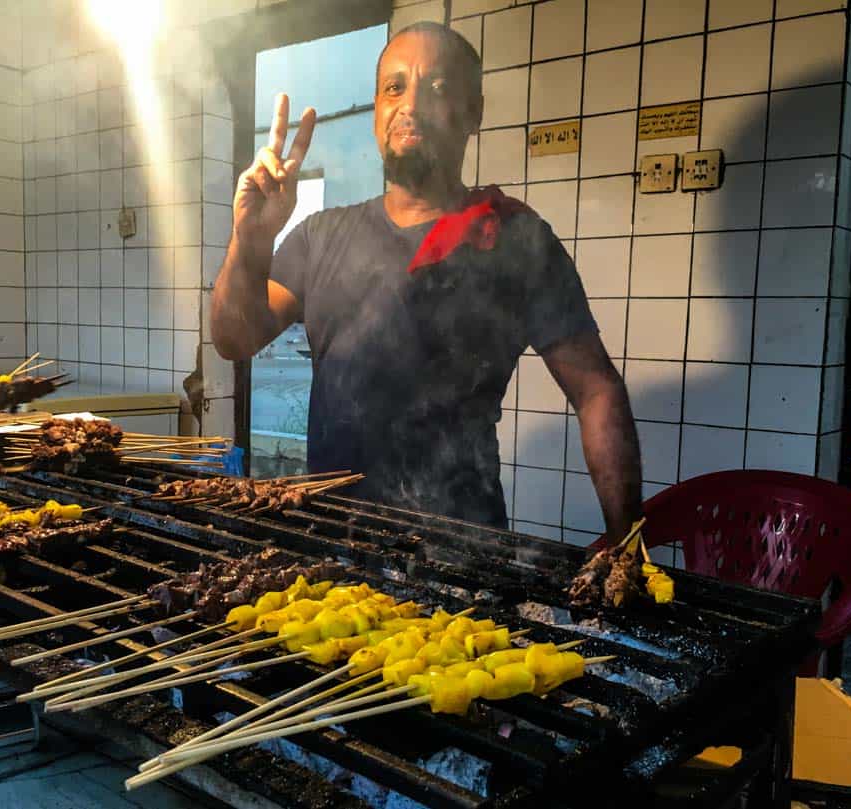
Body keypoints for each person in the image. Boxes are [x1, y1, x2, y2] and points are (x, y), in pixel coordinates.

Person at [211, 22, 642, 542]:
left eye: (436, 89)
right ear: (376, 110)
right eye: (394, 88)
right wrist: (249, 240)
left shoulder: (511, 238)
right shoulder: (320, 236)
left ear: (473, 114)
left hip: (462, 556)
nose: (409, 104)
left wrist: (624, 536)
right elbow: (234, 339)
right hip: (329, 547)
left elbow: (596, 389)